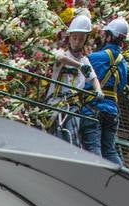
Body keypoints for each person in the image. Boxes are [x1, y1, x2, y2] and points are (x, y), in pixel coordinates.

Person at [78, 18, 129, 166]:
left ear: (109, 36)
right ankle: (122, 180)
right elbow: (120, 88)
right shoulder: (123, 64)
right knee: (110, 151)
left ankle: (97, 179)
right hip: (112, 111)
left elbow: (81, 79)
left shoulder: (94, 58)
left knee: (93, 148)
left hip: (93, 108)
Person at [46, 14, 102, 147]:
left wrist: (98, 90)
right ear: (69, 37)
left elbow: (93, 78)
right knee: (54, 135)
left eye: (81, 39)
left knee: (72, 135)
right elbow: (60, 59)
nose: (77, 42)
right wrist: (79, 66)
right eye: (74, 38)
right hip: (55, 101)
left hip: (73, 105)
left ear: (85, 40)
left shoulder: (85, 60)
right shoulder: (63, 53)